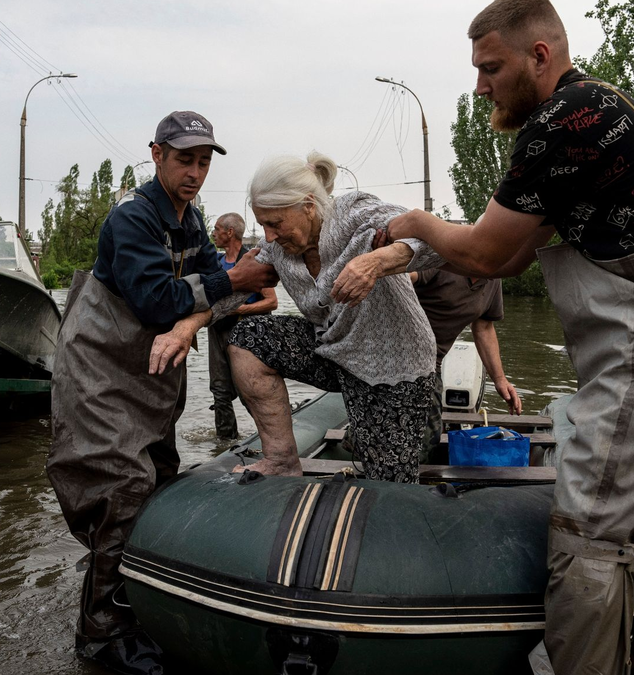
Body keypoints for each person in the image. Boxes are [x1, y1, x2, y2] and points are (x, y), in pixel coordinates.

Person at [381, 1, 634, 672]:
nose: (480, 86)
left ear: (540, 56)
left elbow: (491, 255)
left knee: (588, 529)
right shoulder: (599, 108)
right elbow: (521, 251)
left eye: (491, 67)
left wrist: (414, 222)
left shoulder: (560, 122)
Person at [45, 111, 275, 674]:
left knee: (161, 476)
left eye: (203, 161)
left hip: (149, 368)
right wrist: (232, 280)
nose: (195, 171)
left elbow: (195, 295)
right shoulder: (132, 217)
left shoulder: (191, 220)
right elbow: (155, 300)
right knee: (120, 486)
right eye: (184, 159)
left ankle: (135, 597)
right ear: (156, 155)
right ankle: (100, 635)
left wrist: (216, 293)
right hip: (100, 368)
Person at [202, 151, 444, 483]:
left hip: (393, 365)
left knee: (387, 484)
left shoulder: (354, 212)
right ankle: (281, 460)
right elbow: (232, 293)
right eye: (263, 225)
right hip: (333, 353)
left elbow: (436, 241)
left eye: (275, 223)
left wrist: (377, 261)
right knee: (249, 337)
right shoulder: (277, 250)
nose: (269, 236)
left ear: (308, 206)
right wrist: (186, 325)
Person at [411, 268, 521, 461]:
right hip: (393, 352)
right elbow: (402, 275)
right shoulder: (442, 256)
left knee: (428, 438)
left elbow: (484, 327)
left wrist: (500, 379)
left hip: (429, 362)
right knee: (414, 434)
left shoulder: (493, 278)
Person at [207, 213, 277, 440]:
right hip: (217, 331)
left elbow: (271, 301)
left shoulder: (252, 261)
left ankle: (271, 438)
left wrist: (238, 310)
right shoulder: (215, 262)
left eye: (217, 229)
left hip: (244, 335)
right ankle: (225, 443)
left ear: (230, 233)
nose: (213, 234)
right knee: (219, 391)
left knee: (248, 391)